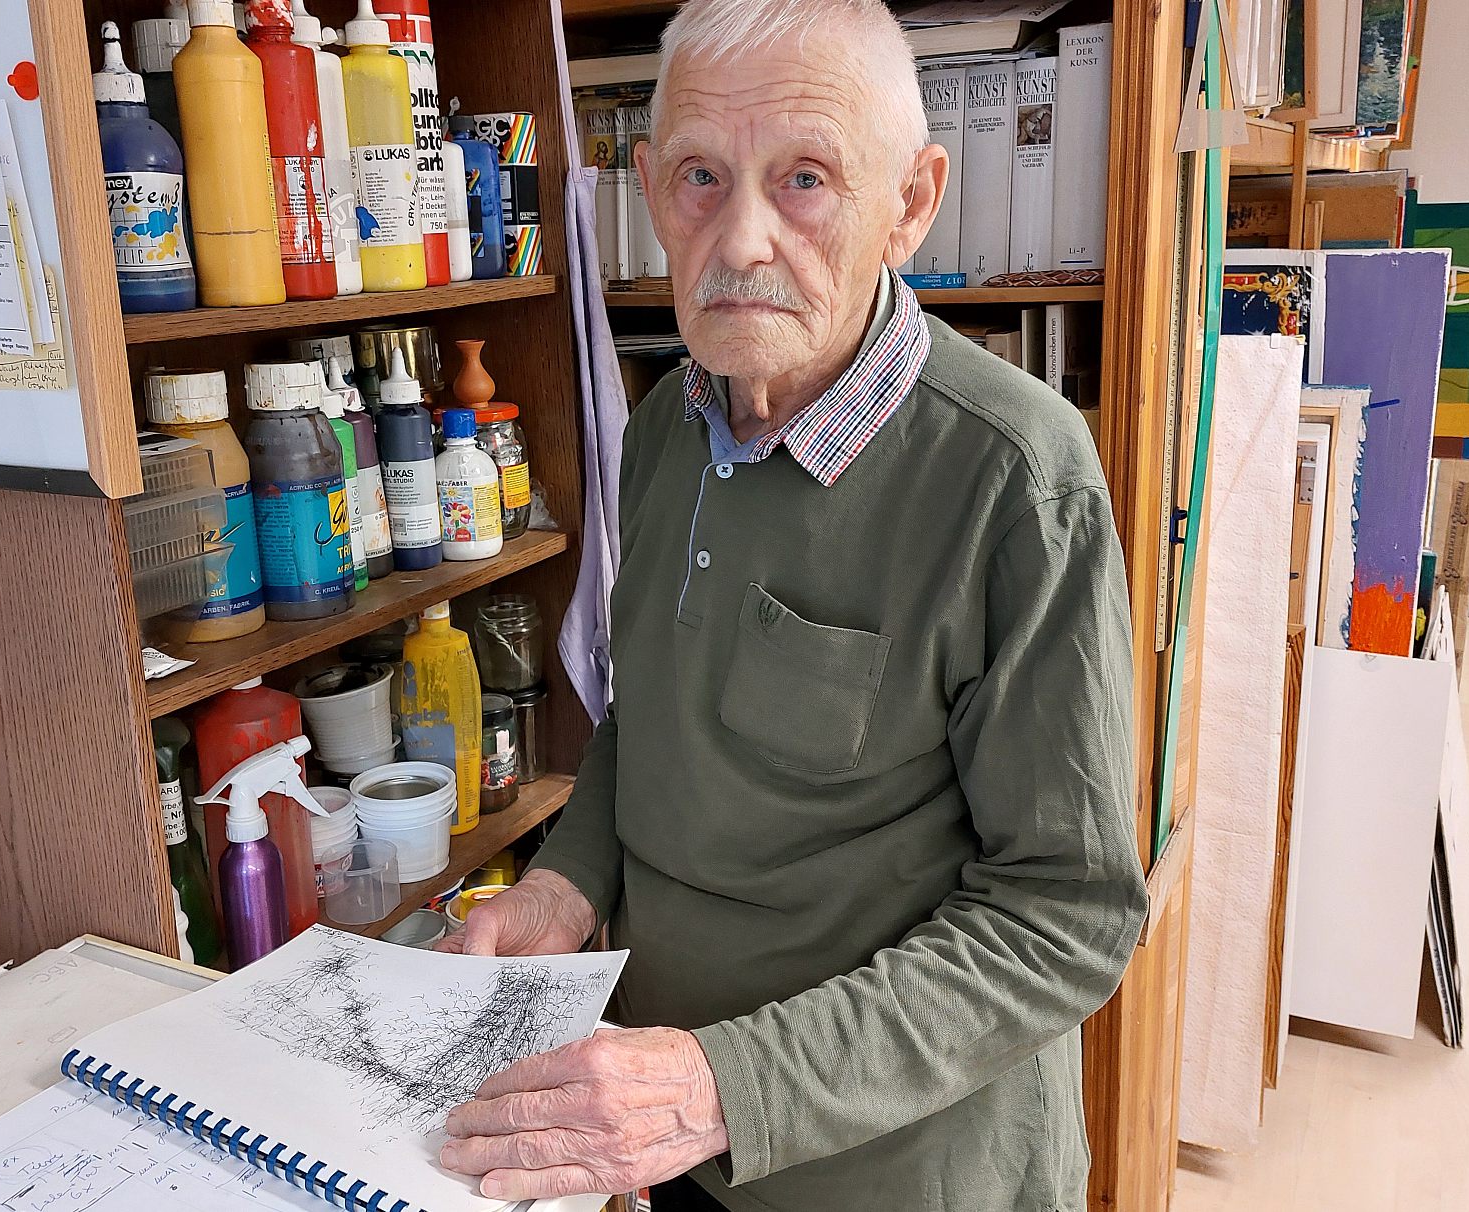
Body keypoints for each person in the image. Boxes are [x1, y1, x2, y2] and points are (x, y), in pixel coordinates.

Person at [436, 1, 1148, 1208]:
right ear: (649, 186)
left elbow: (1065, 915)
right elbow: (652, 720)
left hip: (905, 1174)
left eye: (805, 179)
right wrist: (568, 878)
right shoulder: (666, 424)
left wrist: (725, 1087)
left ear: (911, 204)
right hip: (667, 1144)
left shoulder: (1018, 478)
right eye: (702, 177)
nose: (742, 239)